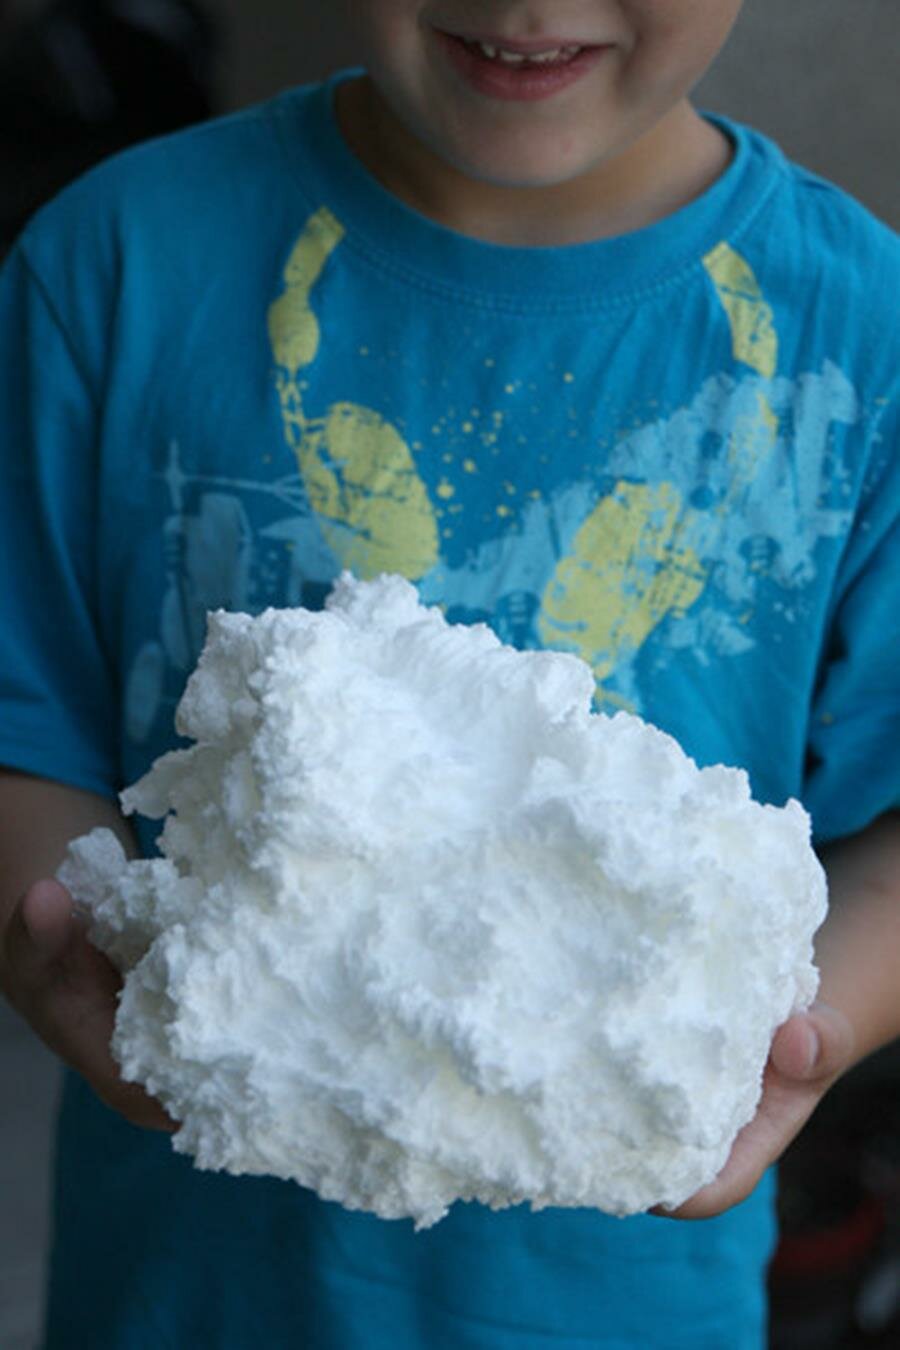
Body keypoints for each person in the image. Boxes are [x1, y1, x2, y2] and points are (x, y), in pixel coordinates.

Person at [1, 2, 898, 1346]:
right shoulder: (109, 264)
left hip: (628, 1308)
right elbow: (26, 726)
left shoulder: (865, 343)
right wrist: (71, 936)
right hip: (184, 1293)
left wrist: (800, 1025)